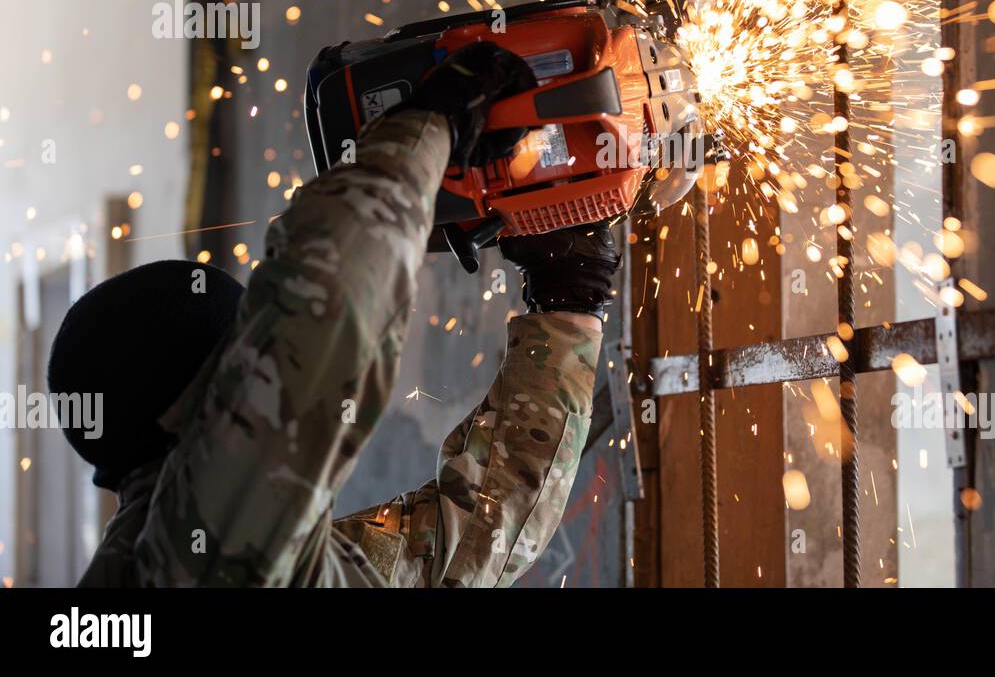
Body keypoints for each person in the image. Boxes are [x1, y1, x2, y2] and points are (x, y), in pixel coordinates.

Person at [48, 42, 621, 586]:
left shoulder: (274, 561)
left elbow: (472, 540)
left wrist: (566, 302)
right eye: (249, 352)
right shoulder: (193, 556)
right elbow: (321, 307)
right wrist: (427, 124)